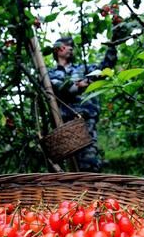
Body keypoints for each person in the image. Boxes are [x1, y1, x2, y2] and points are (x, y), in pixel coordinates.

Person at [48, 36, 117, 172]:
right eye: (65, 46)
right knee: (68, 166)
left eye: (71, 46)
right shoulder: (51, 73)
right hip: (66, 123)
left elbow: (104, 70)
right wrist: (79, 86)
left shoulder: (83, 69)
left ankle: (91, 191)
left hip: (86, 119)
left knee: (89, 162)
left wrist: (112, 46)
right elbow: (61, 89)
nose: (70, 48)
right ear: (57, 50)